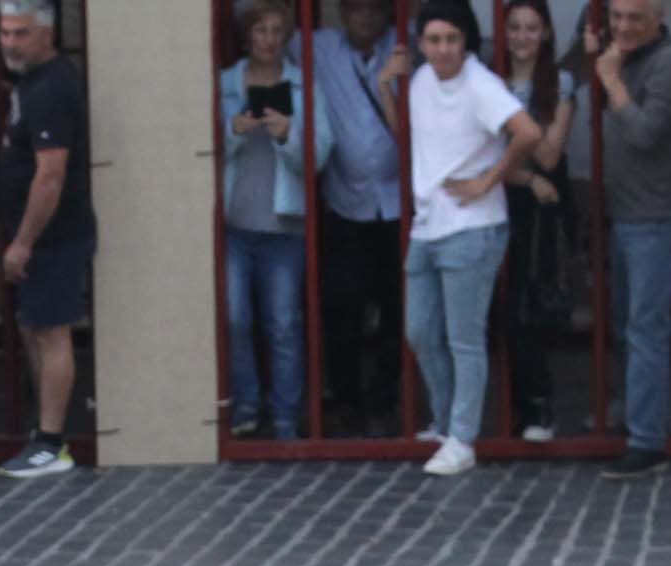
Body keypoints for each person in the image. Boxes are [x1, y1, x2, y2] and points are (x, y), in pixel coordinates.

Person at [394, 1, 539, 473]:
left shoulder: (481, 85)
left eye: (451, 39)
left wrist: (487, 180)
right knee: (420, 331)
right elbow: (415, 137)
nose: (443, 49)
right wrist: (381, 87)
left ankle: (462, 439)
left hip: (472, 229)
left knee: (464, 339)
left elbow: (528, 132)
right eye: (434, 40)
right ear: (421, 44)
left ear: (466, 42)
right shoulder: (418, 82)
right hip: (428, 225)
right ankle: (445, 420)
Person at [589, 0, 671, 471]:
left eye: (635, 18)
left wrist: (610, 79)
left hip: (656, 219)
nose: (624, 26)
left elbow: (645, 133)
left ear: (660, 18)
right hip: (627, 215)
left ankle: (647, 440)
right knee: (631, 328)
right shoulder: (620, 55)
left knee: (646, 331)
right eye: (616, 17)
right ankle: (650, 414)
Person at [0, 0, 92, 478]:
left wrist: (24, 242)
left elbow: (50, 175)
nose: (10, 42)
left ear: (47, 34)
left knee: (52, 332)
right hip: (40, 236)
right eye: (6, 32)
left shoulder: (51, 87)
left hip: (53, 237)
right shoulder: (33, 80)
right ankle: (44, 435)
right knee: (35, 326)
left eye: (21, 33)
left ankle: (52, 443)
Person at [313, 0, 416, 433]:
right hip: (345, 201)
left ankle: (385, 400)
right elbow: (265, 26)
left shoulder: (407, 44)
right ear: (342, 12)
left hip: (398, 203)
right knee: (341, 306)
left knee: (398, 307)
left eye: (375, 8)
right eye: (357, 8)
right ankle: (347, 397)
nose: (367, 17)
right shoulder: (319, 47)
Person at [223, 2, 315, 438]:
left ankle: (284, 416)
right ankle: (245, 404)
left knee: (282, 324)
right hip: (233, 225)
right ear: (247, 35)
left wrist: (288, 136)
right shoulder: (225, 83)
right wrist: (231, 132)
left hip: (284, 227)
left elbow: (322, 153)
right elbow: (195, 148)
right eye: (260, 30)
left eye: (277, 30)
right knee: (235, 318)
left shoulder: (302, 83)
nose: (268, 39)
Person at [489, 0, 578, 436]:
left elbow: (549, 152)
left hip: (541, 210)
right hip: (501, 198)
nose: (522, 37)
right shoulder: (489, 81)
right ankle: (509, 406)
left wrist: (508, 115)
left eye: (531, 28)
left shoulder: (559, 82)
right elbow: (478, 158)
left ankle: (537, 405)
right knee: (495, 305)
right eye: (515, 28)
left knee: (527, 306)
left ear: (545, 34)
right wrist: (523, 175)